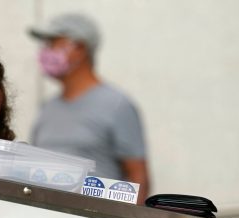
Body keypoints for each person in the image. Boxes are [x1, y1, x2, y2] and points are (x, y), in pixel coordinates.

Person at [28, 12, 150, 203]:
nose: (46, 51)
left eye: (53, 43)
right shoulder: (47, 108)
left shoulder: (117, 105)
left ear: (80, 47)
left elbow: (138, 177)